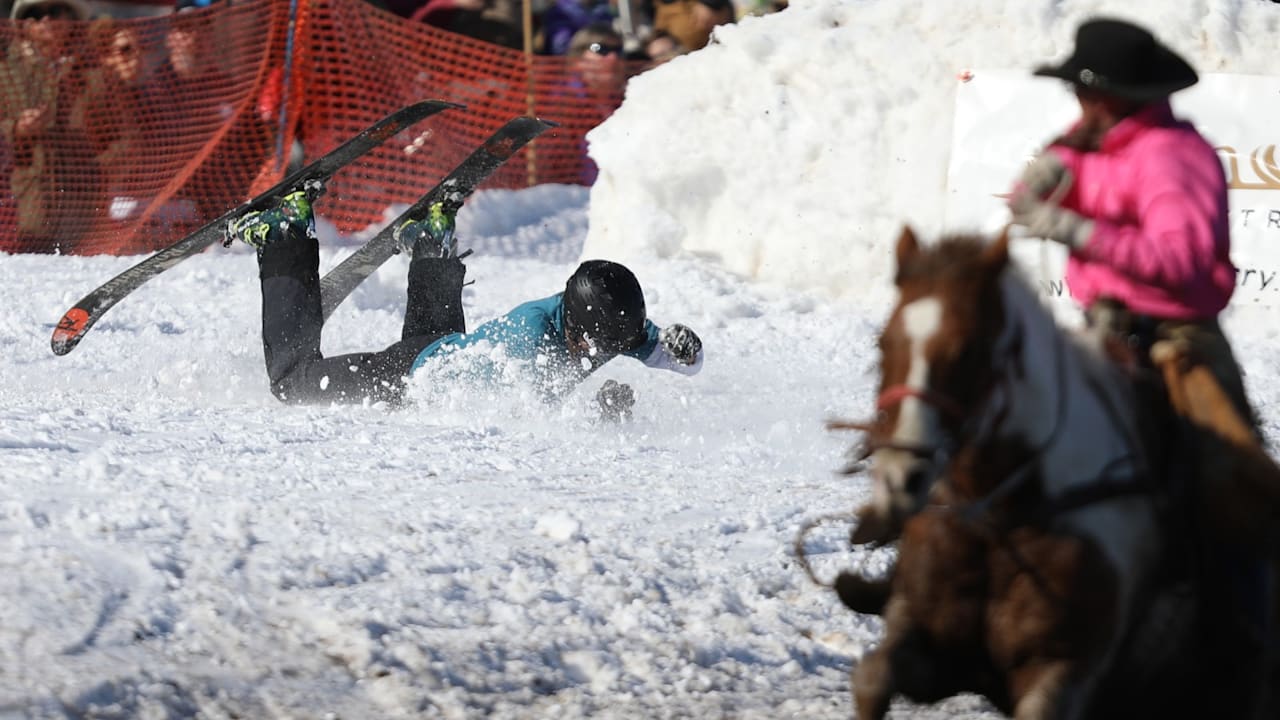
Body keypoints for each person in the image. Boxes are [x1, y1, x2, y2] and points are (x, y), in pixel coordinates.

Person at [1008, 16, 1278, 707]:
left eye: (1089, 94)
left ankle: (1256, 636)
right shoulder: (1094, 143)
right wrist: (1046, 179)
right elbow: (1044, 190)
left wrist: (1075, 229)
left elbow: (1181, 262)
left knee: (1228, 482)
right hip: (1099, 331)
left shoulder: (1172, 156)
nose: (1079, 105)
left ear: (1120, 96)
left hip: (1177, 341)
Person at [224, 182, 704, 417]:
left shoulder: (610, 326)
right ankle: (285, 237)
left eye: (610, 347)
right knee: (290, 383)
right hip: (409, 373)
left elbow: (665, 353)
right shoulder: (529, 339)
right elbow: (522, 417)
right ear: (573, 323)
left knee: (443, 345)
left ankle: (434, 242)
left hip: (448, 351)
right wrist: (601, 416)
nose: (596, 355)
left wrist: (686, 350)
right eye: (591, 345)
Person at [0, 0, 97, 254]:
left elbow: (125, 135)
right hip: (23, 198)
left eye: (54, 11)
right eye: (35, 14)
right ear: (24, 24)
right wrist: (17, 128)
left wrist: (97, 166)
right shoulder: (5, 71)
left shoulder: (93, 69)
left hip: (85, 201)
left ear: (70, 18)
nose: (46, 20)